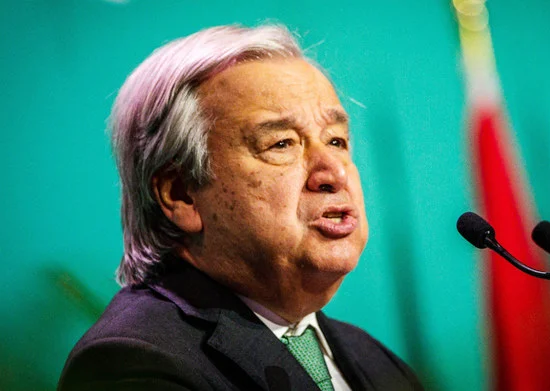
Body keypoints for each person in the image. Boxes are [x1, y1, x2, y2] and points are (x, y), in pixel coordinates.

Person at [58, 25, 423, 391]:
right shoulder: (135, 365)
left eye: (337, 140)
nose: (333, 173)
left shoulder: (377, 362)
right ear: (182, 194)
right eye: (281, 143)